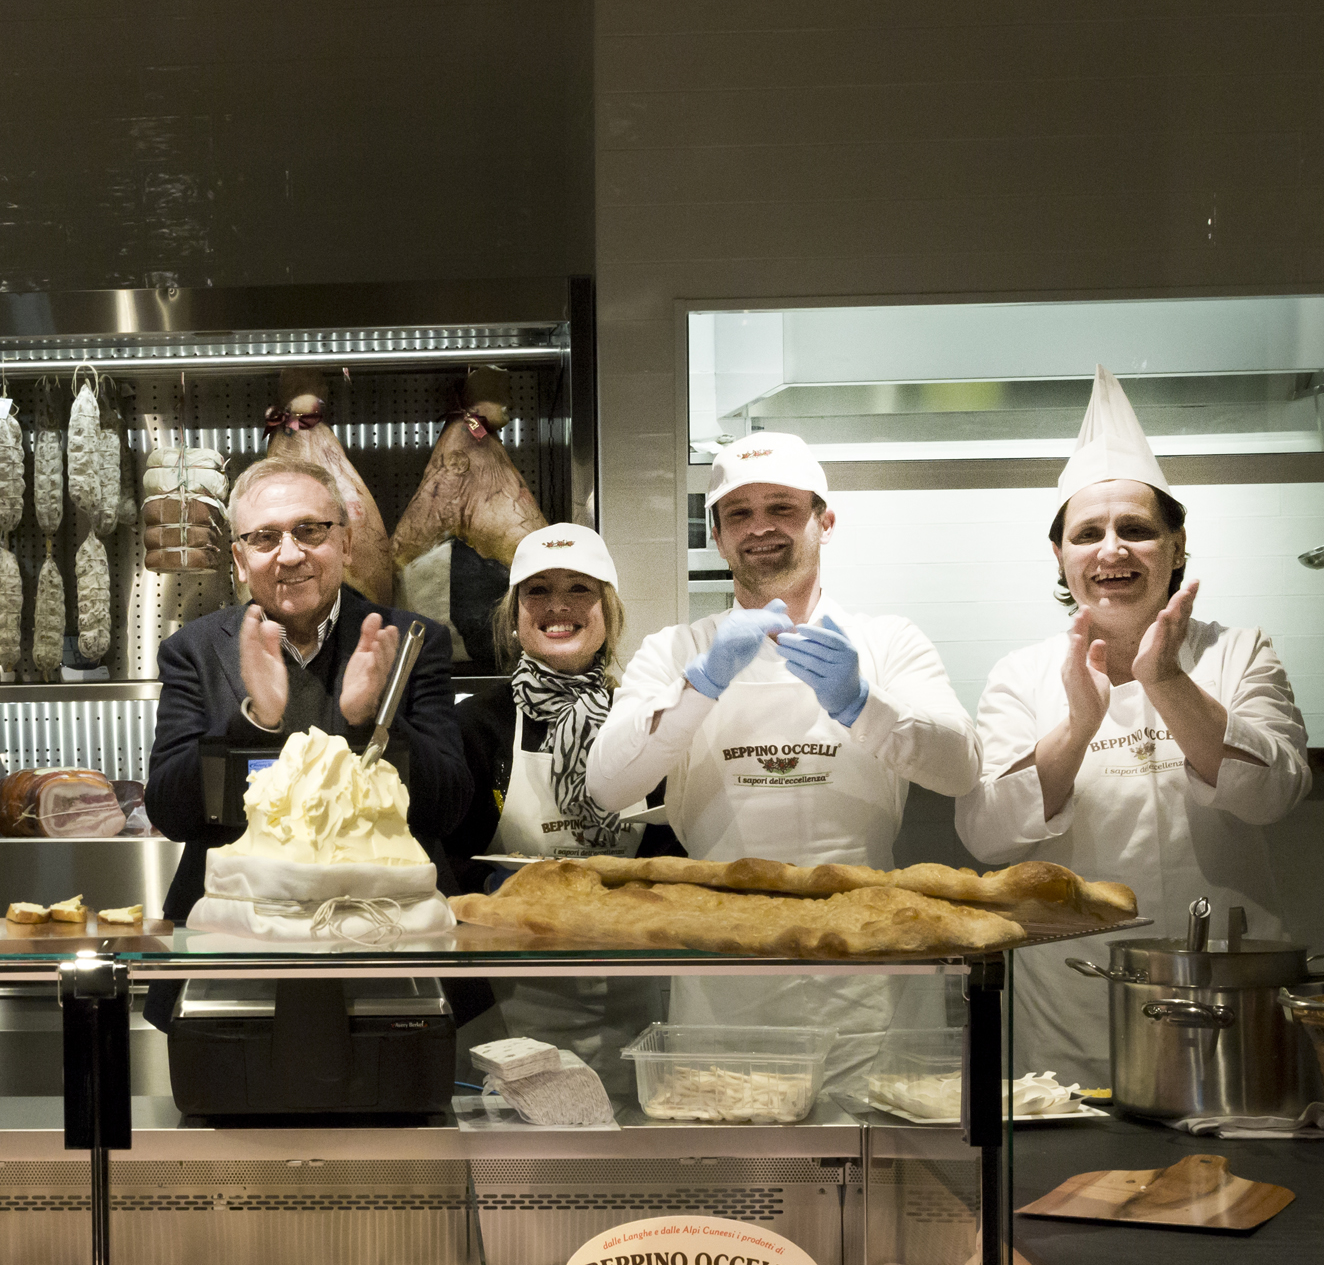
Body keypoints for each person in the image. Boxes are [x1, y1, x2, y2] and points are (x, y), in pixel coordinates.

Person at [586, 432, 982, 1093]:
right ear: (716, 536)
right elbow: (606, 783)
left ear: (825, 522)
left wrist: (862, 703)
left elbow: (962, 768)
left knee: (873, 1168)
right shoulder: (676, 650)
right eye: (738, 513)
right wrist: (701, 686)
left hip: (868, 985)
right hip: (725, 990)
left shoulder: (887, 642)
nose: (760, 528)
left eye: (782, 507)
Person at [957, 368, 1310, 1085]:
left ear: (1176, 547)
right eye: (1088, 533)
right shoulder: (1021, 674)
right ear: (1061, 556)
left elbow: (1274, 794)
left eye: (1137, 530)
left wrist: (1167, 681)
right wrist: (1079, 724)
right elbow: (987, 831)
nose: (1111, 549)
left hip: (1228, 1011)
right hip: (1072, 1012)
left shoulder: (1238, 652)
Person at [142, 458, 469, 1026]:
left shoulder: (410, 641)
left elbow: (447, 809)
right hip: (236, 947)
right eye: (264, 538)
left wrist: (373, 723)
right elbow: (171, 811)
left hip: (390, 948)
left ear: (344, 545)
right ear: (241, 561)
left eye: (309, 531)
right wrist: (254, 722)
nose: (289, 554)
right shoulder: (193, 650)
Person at [440, 524, 680, 1068]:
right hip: (509, 1003)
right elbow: (445, 866)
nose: (558, 606)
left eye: (579, 588)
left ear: (608, 608)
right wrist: (503, 891)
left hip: (631, 996)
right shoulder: (475, 725)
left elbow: (677, 857)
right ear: (514, 611)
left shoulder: (648, 719)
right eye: (538, 590)